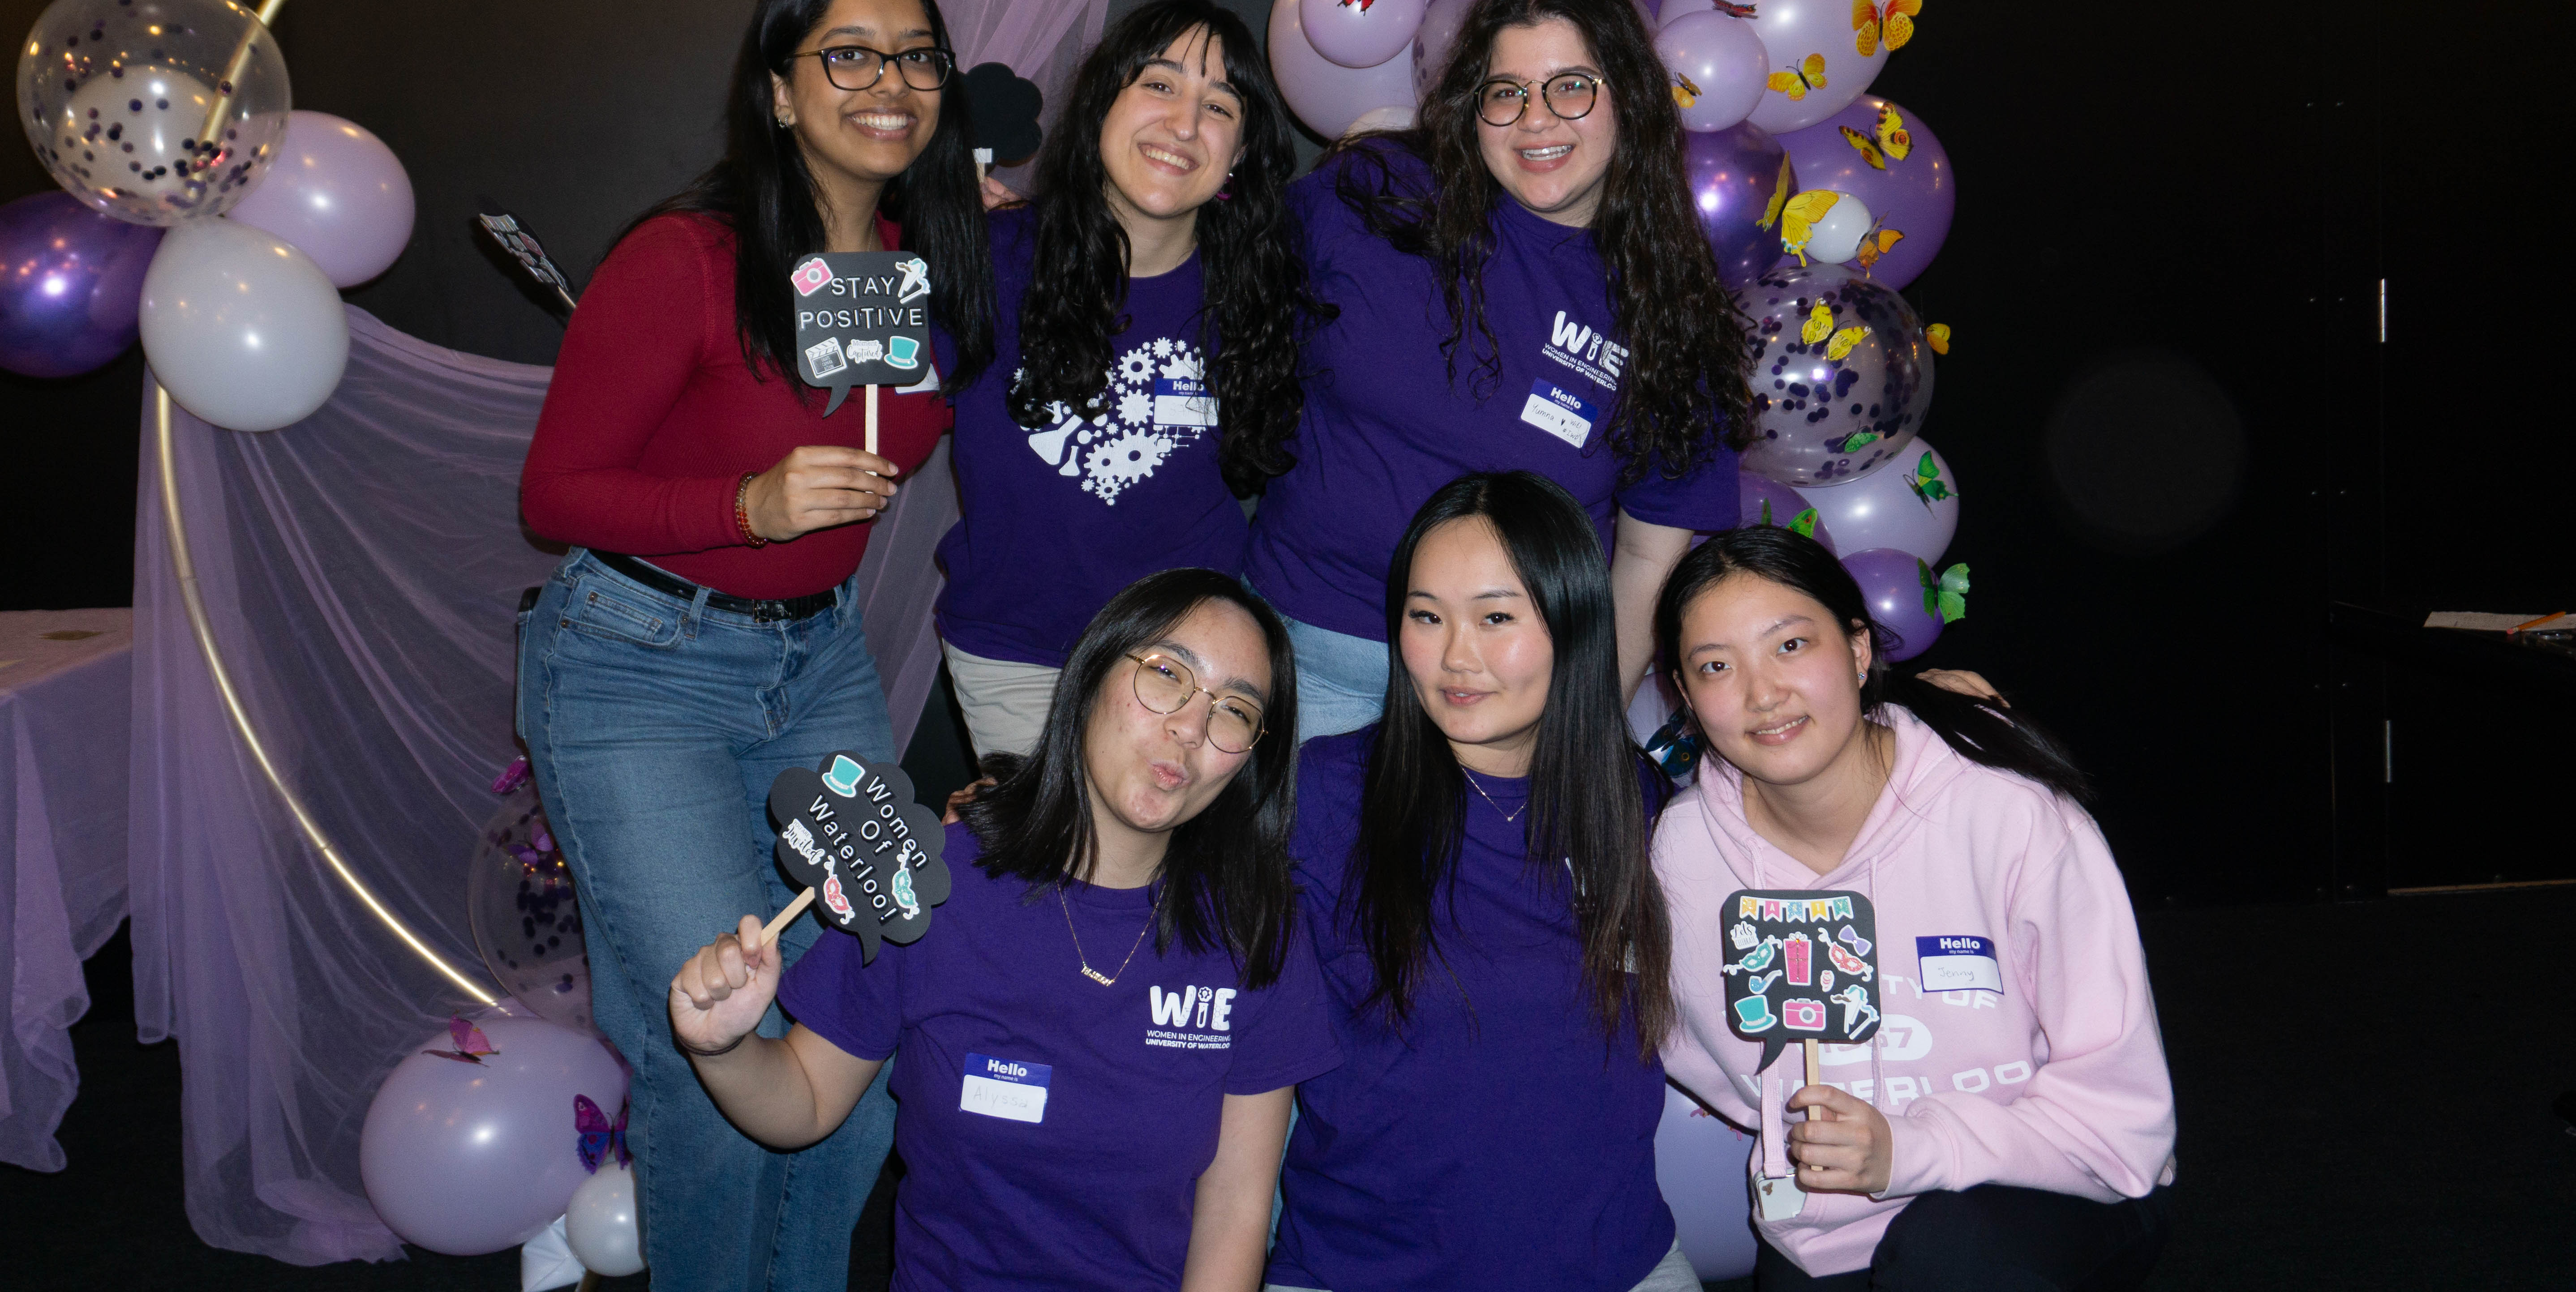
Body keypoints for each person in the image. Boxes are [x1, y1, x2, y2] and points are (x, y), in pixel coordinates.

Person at [516, 0, 994, 1292]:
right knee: (708, 1032)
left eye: (915, 56)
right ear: (781, 91)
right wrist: (749, 503)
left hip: (818, 669)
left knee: (883, 988)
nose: (888, 83)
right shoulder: (687, 257)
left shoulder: (923, 265)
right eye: (849, 54)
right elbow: (555, 493)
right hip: (637, 673)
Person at [668, 568, 1340, 1292]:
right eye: (1167, 673)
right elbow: (803, 1099)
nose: (1190, 726)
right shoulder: (928, 885)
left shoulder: (1254, 930)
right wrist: (724, 1048)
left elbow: (1236, 1211)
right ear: (1089, 676)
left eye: (1235, 711)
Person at [1649, 528, 2177, 1290]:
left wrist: (1914, 1145)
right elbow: (1702, 1050)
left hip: (2049, 1184)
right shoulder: (1685, 851)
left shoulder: (2008, 813)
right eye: (1717, 667)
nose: (1763, 694)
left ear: (1859, 650)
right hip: (1826, 1229)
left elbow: (2122, 1115)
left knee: (1954, 1256)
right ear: (1686, 697)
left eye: (1792, 646)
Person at [1242, 0, 1748, 741]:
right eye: (1506, 93)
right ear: (1472, 110)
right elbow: (1209, 263)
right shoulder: (1375, 196)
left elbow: (1647, 563)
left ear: (1632, 100)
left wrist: (1573, 742)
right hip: (1302, 666)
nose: (1536, 120)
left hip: (1501, 704)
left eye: (1572, 85)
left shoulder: (1673, 306)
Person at [1270, 471, 1702, 1292]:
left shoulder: (1635, 801)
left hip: (1619, 1267)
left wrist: (1909, 714)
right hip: (1366, 1272)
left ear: (1575, 623)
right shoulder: (1322, 795)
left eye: (1496, 618)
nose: (1456, 657)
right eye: (1426, 617)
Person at [935, 0, 1309, 759]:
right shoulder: (986, 257)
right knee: (1053, 875)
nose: (1183, 125)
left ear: (1239, 152)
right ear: (1105, 99)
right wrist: (908, 204)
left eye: (1219, 105)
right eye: (1161, 85)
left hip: (1189, 665)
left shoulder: (1264, 295)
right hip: (1016, 659)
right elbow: (826, 361)